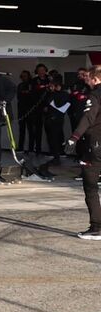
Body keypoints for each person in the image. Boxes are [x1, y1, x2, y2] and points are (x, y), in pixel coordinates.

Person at [65, 66, 101, 240]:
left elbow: (88, 118)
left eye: (88, 78)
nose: (86, 81)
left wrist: (74, 137)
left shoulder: (94, 95)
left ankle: (97, 227)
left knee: (90, 186)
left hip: (94, 145)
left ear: (95, 79)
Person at [44, 74, 70, 165]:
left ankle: (57, 156)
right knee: (51, 137)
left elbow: (58, 105)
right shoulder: (51, 93)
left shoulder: (63, 94)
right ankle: (54, 154)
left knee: (56, 138)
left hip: (57, 118)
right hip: (50, 118)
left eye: (52, 86)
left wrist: (53, 93)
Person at [28, 63, 50, 154]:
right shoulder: (34, 81)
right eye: (39, 70)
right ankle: (37, 149)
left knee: (50, 129)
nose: (41, 72)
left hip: (49, 107)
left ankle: (52, 150)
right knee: (37, 129)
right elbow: (32, 93)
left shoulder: (49, 79)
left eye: (43, 70)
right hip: (37, 108)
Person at [17, 70, 33, 153]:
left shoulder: (31, 85)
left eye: (25, 76)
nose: (24, 78)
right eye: (22, 76)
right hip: (21, 110)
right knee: (21, 129)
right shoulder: (20, 85)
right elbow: (18, 96)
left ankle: (31, 148)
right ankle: (20, 147)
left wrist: (26, 93)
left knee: (31, 129)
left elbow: (31, 95)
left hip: (30, 110)